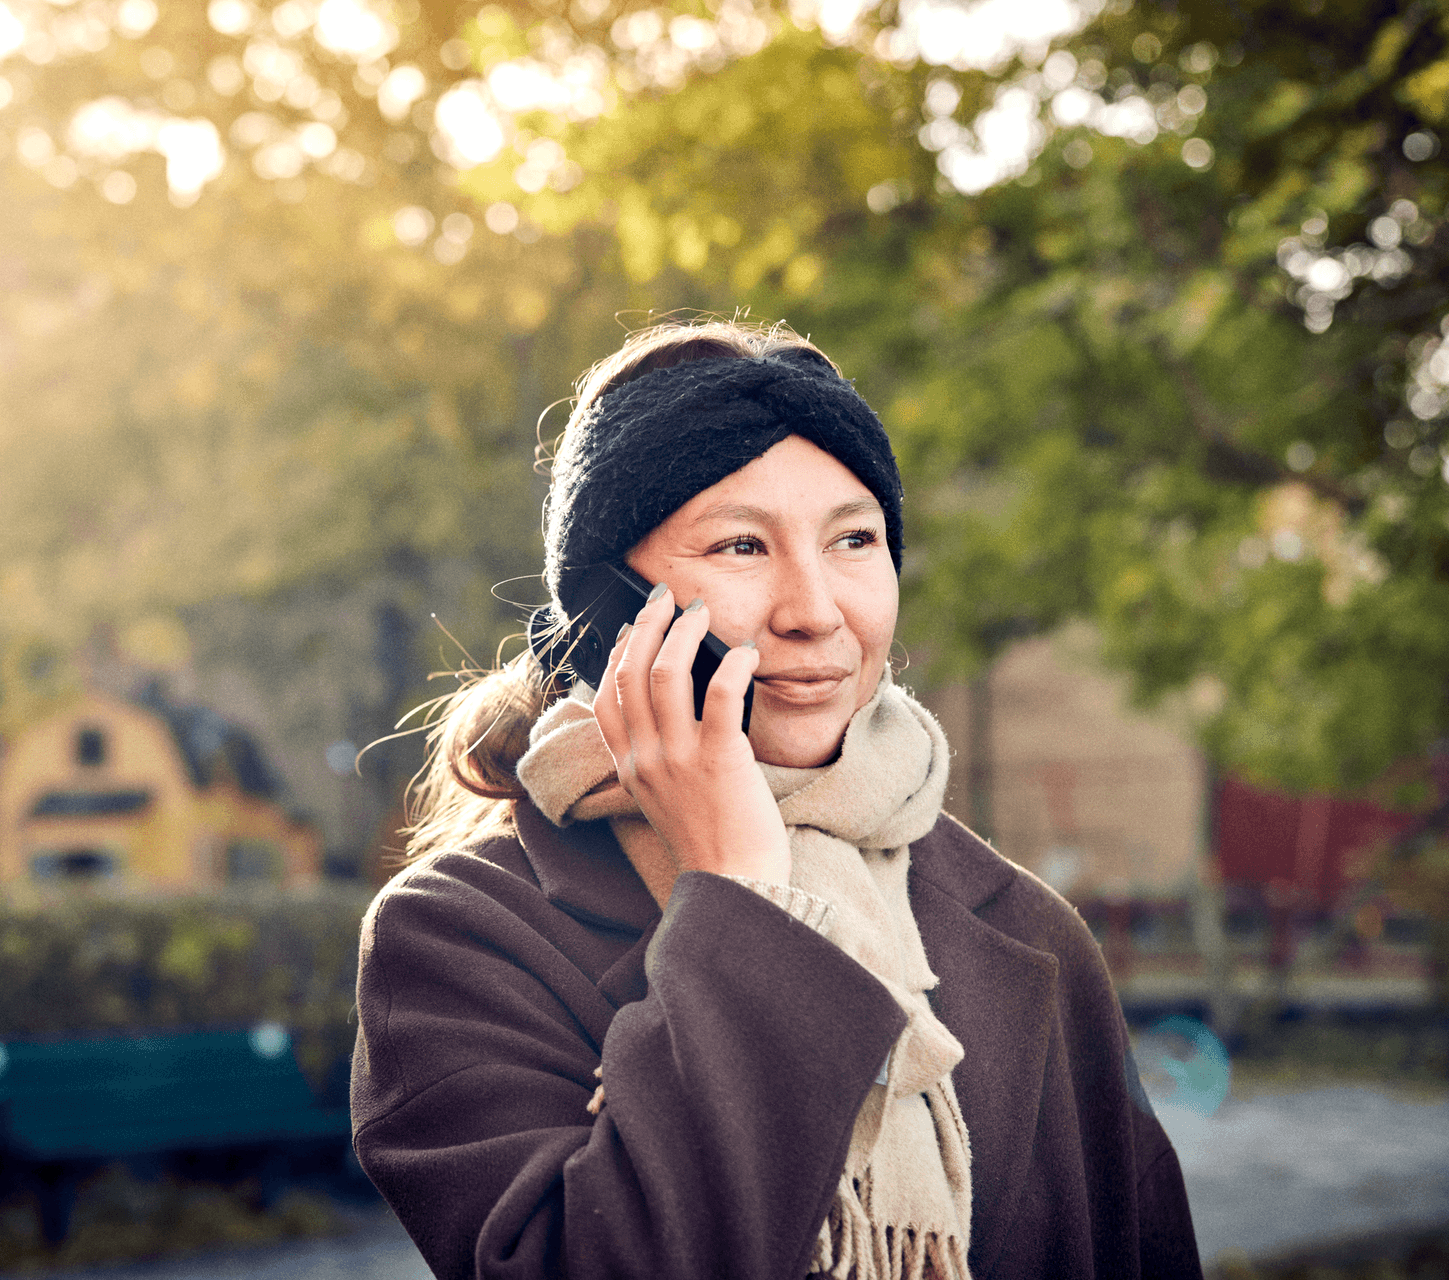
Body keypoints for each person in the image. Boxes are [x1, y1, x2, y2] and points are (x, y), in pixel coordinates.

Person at [349, 320, 1201, 1280]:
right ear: (605, 610)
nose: (815, 610)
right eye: (743, 545)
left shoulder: (1028, 932)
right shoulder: (460, 937)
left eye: (854, 539)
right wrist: (740, 897)